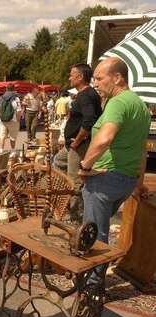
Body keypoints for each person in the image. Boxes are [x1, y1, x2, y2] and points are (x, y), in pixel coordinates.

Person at [78, 57, 151, 282]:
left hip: (105, 179)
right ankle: (93, 276)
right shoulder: (141, 106)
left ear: (117, 78)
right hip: (125, 181)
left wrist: (85, 165)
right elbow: (141, 151)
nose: (95, 83)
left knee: (94, 233)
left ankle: (93, 284)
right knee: (99, 227)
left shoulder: (118, 102)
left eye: (100, 78)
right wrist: (138, 184)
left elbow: (104, 139)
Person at [65, 64, 102, 187]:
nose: (69, 78)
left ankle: (76, 205)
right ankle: (64, 194)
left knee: (75, 182)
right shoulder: (85, 94)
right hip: (74, 144)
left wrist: (77, 142)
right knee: (57, 161)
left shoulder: (85, 95)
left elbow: (89, 120)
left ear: (80, 77)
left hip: (79, 145)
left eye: (71, 75)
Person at [0, 85, 20, 153]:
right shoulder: (16, 98)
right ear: (13, 89)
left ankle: (1, 150)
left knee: (2, 136)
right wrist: (18, 120)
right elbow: (18, 110)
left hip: (2, 120)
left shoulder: (1, 98)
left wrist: (0, 118)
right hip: (13, 120)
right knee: (12, 136)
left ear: (6, 89)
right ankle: (12, 151)